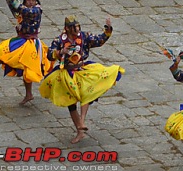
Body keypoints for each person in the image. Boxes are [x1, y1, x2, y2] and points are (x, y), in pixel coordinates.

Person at [40, 16, 122, 144]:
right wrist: (60, 51)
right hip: (67, 73)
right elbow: (49, 55)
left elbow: (99, 40)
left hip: (83, 70)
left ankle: (82, 121)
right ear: (67, 28)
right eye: (74, 27)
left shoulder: (84, 36)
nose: (77, 30)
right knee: (71, 104)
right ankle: (80, 131)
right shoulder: (59, 40)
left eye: (78, 27)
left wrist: (108, 29)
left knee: (87, 94)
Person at [0, 0, 53, 105]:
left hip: (31, 43)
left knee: (26, 68)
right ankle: (28, 94)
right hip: (22, 40)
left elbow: (24, 10)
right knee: (4, 51)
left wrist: (15, 0)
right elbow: (15, 9)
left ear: (36, 1)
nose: (31, 2)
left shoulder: (36, 11)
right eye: (28, 0)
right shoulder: (23, 9)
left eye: (32, 0)